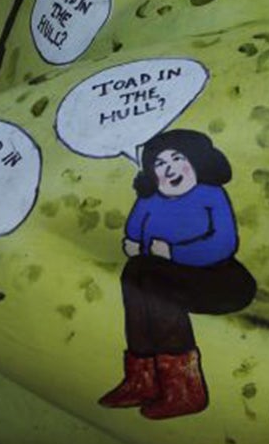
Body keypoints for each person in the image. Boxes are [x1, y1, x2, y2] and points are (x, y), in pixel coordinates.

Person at [97, 129, 257, 420]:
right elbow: (135, 231)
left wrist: (174, 253)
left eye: (176, 158)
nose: (168, 168)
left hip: (220, 278)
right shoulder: (149, 199)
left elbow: (223, 244)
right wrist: (133, 245)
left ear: (195, 161)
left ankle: (185, 388)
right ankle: (142, 378)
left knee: (157, 284)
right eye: (159, 163)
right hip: (166, 271)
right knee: (135, 273)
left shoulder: (211, 195)